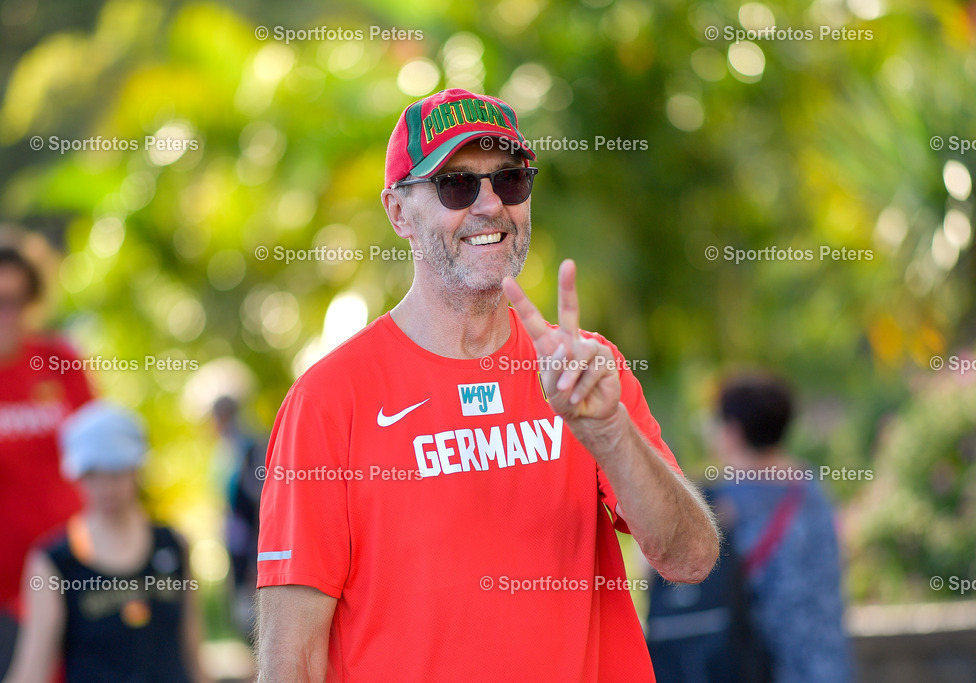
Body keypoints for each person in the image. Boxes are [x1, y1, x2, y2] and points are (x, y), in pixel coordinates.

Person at [254, 88, 720, 681]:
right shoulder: (329, 401)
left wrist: (611, 435)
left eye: (510, 181)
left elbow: (692, 559)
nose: (489, 205)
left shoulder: (584, 371)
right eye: (456, 185)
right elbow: (290, 657)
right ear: (399, 212)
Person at [3, 401, 208, 683]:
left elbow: (193, 652)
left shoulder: (172, 545)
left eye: (116, 470)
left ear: (136, 467)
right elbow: (33, 670)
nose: (105, 486)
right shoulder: (55, 561)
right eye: (92, 474)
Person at [707, 374, 852, 682]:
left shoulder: (727, 503)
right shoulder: (813, 487)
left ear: (733, 431)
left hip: (764, 667)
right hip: (829, 665)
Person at [0, 246, 93, 677]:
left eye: (14, 301)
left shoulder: (58, 361)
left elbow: (98, 452)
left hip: (72, 573)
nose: (6, 314)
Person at [211, 395, 264, 639]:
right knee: (242, 611)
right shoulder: (225, 450)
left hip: (251, 545)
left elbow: (258, 506)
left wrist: (256, 559)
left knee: (253, 615)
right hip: (236, 542)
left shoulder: (250, 446)